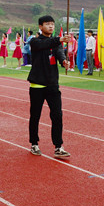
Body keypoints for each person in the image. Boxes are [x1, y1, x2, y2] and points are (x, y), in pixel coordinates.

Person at [27, 15, 71, 158]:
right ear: (40, 26)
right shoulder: (35, 41)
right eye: (47, 24)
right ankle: (34, 143)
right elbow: (44, 44)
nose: (51, 26)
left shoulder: (56, 43)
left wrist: (64, 61)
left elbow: (59, 53)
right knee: (35, 116)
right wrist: (60, 39)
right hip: (37, 84)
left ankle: (58, 146)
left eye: (52, 24)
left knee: (57, 116)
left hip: (52, 84)